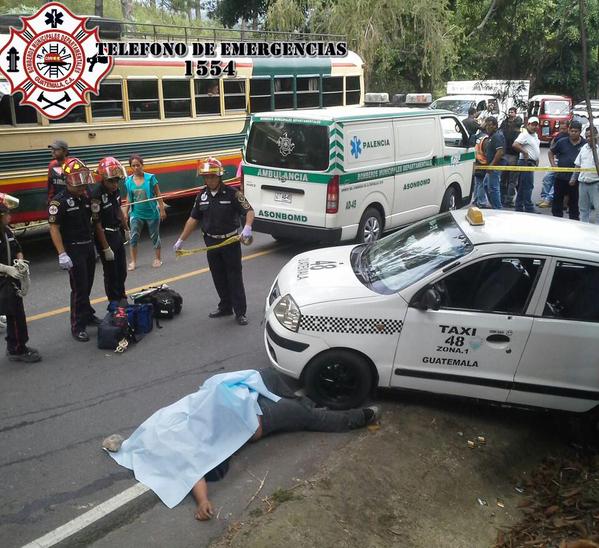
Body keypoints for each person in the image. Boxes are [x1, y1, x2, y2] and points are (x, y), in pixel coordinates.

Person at [106, 368, 379, 519]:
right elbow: (192, 474)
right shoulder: (180, 450)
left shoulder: (158, 426)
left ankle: (300, 401)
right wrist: (202, 502)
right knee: (308, 416)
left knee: (268, 375)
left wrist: (120, 444)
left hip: (237, 396)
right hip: (256, 419)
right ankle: (360, 417)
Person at [174, 157, 254, 326]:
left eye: (212, 176)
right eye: (206, 177)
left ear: (219, 176)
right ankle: (225, 306)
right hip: (211, 243)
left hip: (230, 242)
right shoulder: (201, 196)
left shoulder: (233, 193)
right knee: (218, 276)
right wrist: (181, 239)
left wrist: (247, 227)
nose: (209, 180)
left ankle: (240, 312)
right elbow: (193, 219)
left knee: (234, 277)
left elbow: (249, 211)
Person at [48, 158, 100, 342]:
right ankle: (77, 325)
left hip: (88, 246)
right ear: (67, 181)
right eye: (77, 181)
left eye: (83, 180)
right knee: (78, 289)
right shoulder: (59, 202)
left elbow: (93, 221)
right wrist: (62, 253)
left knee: (88, 285)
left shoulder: (85, 197)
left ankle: (87, 315)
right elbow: (54, 228)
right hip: (73, 249)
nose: (82, 185)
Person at [0, 194, 41, 363]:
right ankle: (17, 350)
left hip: (12, 277)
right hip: (3, 279)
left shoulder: (7, 230)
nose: (10, 216)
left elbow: (17, 248)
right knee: (14, 314)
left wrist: (21, 261)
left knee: (17, 313)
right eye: (6, 213)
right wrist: (6, 269)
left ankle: (17, 345)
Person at [91, 157, 129, 302]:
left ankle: (122, 296)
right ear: (103, 179)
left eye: (116, 181)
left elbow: (119, 210)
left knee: (122, 270)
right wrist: (106, 248)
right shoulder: (96, 195)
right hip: (105, 235)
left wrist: (126, 229)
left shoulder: (116, 191)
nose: (114, 184)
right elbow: (97, 223)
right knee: (111, 272)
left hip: (116, 232)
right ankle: (114, 301)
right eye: (111, 181)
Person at [123, 154, 166, 270]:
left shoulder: (150, 178)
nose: (136, 168)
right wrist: (125, 212)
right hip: (136, 213)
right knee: (134, 237)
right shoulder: (128, 181)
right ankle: (133, 262)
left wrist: (162, 209)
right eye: (133, 166)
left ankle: (158, 259)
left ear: (142, 165)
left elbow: (158, 194)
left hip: (151, 212)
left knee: (154, 236)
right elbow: (128, 197)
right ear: (130, 167)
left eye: (138, 165)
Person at [550, 120, 586, 220]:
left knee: (574, 205)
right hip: (560, 177)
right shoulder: (562, 142)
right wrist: (554, 166)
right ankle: (556, 222)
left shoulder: (585, 144)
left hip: (577, 180)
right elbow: (551, 152)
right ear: (569, 130)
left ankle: (574, 224)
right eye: (572, 131)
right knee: (557, 203)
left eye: (576, 131)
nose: (573, 133)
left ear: (580, 131)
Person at [512, 116, 541, 213]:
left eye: (536, 125)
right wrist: (525, 152)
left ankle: (519, 206)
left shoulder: (535, 135)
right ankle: (528, 207)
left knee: (523, 186)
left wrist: (537, 158)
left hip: (531, 163)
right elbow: (515, 144)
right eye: (532, 125)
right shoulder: (524, 134)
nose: (534, 127)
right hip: (525, 162)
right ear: (528, 125)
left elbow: (535, 147)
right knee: (528, 186)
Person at [538, 120, 570, 208]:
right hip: (556, 160)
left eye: (564, 128)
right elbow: (551, 148)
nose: (562, 130)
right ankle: (544, 197)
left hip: (564, 163)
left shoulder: (569, 137)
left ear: (568, 128)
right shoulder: (558, 136)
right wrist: (553, 164)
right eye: (560, 128)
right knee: (547, 178)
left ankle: (548, 199)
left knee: (556, 181)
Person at [571, 126, 599, 223]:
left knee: (598, 209)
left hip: (596, 184)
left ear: (596, 135)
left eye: (590, 136)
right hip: (583, 183)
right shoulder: (584, 148)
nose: (588, 139)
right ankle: (584, 232)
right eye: (586, 136)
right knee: (583, 209)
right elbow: (578, 164)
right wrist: (573, 178)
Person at [481, 116, 505, 209]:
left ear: (495, 126)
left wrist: (491, 165)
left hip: (495, 166)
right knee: (486, 185)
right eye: (486, 125)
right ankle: (494, 205)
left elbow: (500, 152)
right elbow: (481, 127)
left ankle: (498, 208)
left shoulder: (497, 136)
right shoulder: (491, 136)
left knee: (493, 188)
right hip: (491, 165)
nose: (487, 127)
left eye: (490, 125)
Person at [500, 116, 523, 207]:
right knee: (512, 181)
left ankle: (502, 197)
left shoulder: (506, 132)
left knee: (503, 179)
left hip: (505, 156)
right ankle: (509, 200)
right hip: (514, 157)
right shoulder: (520, 135)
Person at [47, 139, 70, 204]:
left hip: (71, 201)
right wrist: (50, 200)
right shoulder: (52, 165)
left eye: (56, 149)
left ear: (65, 151)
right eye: (52, 149)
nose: (53, 151)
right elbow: (50, 185)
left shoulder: (72, 165)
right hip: (57, 201)